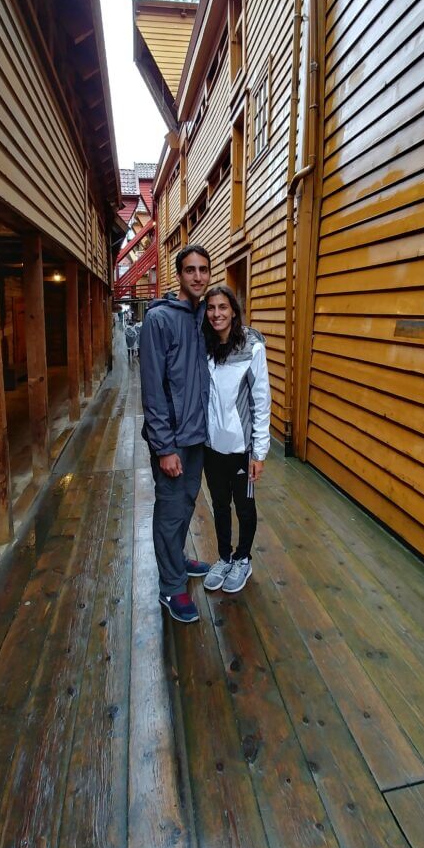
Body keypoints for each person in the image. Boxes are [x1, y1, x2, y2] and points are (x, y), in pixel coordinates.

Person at [139, 245, 212, 623]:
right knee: (169, 511)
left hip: (197, 436)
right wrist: (164, 447)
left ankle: (177, 560)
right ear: (179, 274)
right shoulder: (159, 319)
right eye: (190, 270)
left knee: (185, 504)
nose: (198, 276)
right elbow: (152, 389)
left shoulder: (203, 316)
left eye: (203, 269)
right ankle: (170, 587)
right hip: (172, 440)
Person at [202, 285, 271, 594]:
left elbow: (261, 401)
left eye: (222, 307)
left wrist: (259, 453)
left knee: (244, 506)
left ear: (233, 311)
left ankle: (243, 558)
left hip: (242, 448)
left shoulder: (252, 348)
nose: (216, 313)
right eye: (211, 308)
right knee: (219, 504)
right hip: (211, 446)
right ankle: (224, 557)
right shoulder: (204, 346)